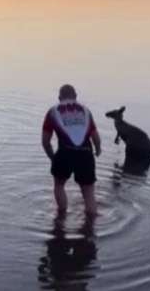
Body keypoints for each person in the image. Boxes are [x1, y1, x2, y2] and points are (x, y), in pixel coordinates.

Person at [41, 84, 102, 216]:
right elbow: (96, 138)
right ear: (75, 97)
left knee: (59, 185)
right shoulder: (86, 111)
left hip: (64, 151)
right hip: (85, 152)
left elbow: (45, 141)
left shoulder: (52, 112)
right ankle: (90, 227)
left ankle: (61, 216)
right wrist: (98, 149)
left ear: (59, 98)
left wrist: (53, 158)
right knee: (89, 193)